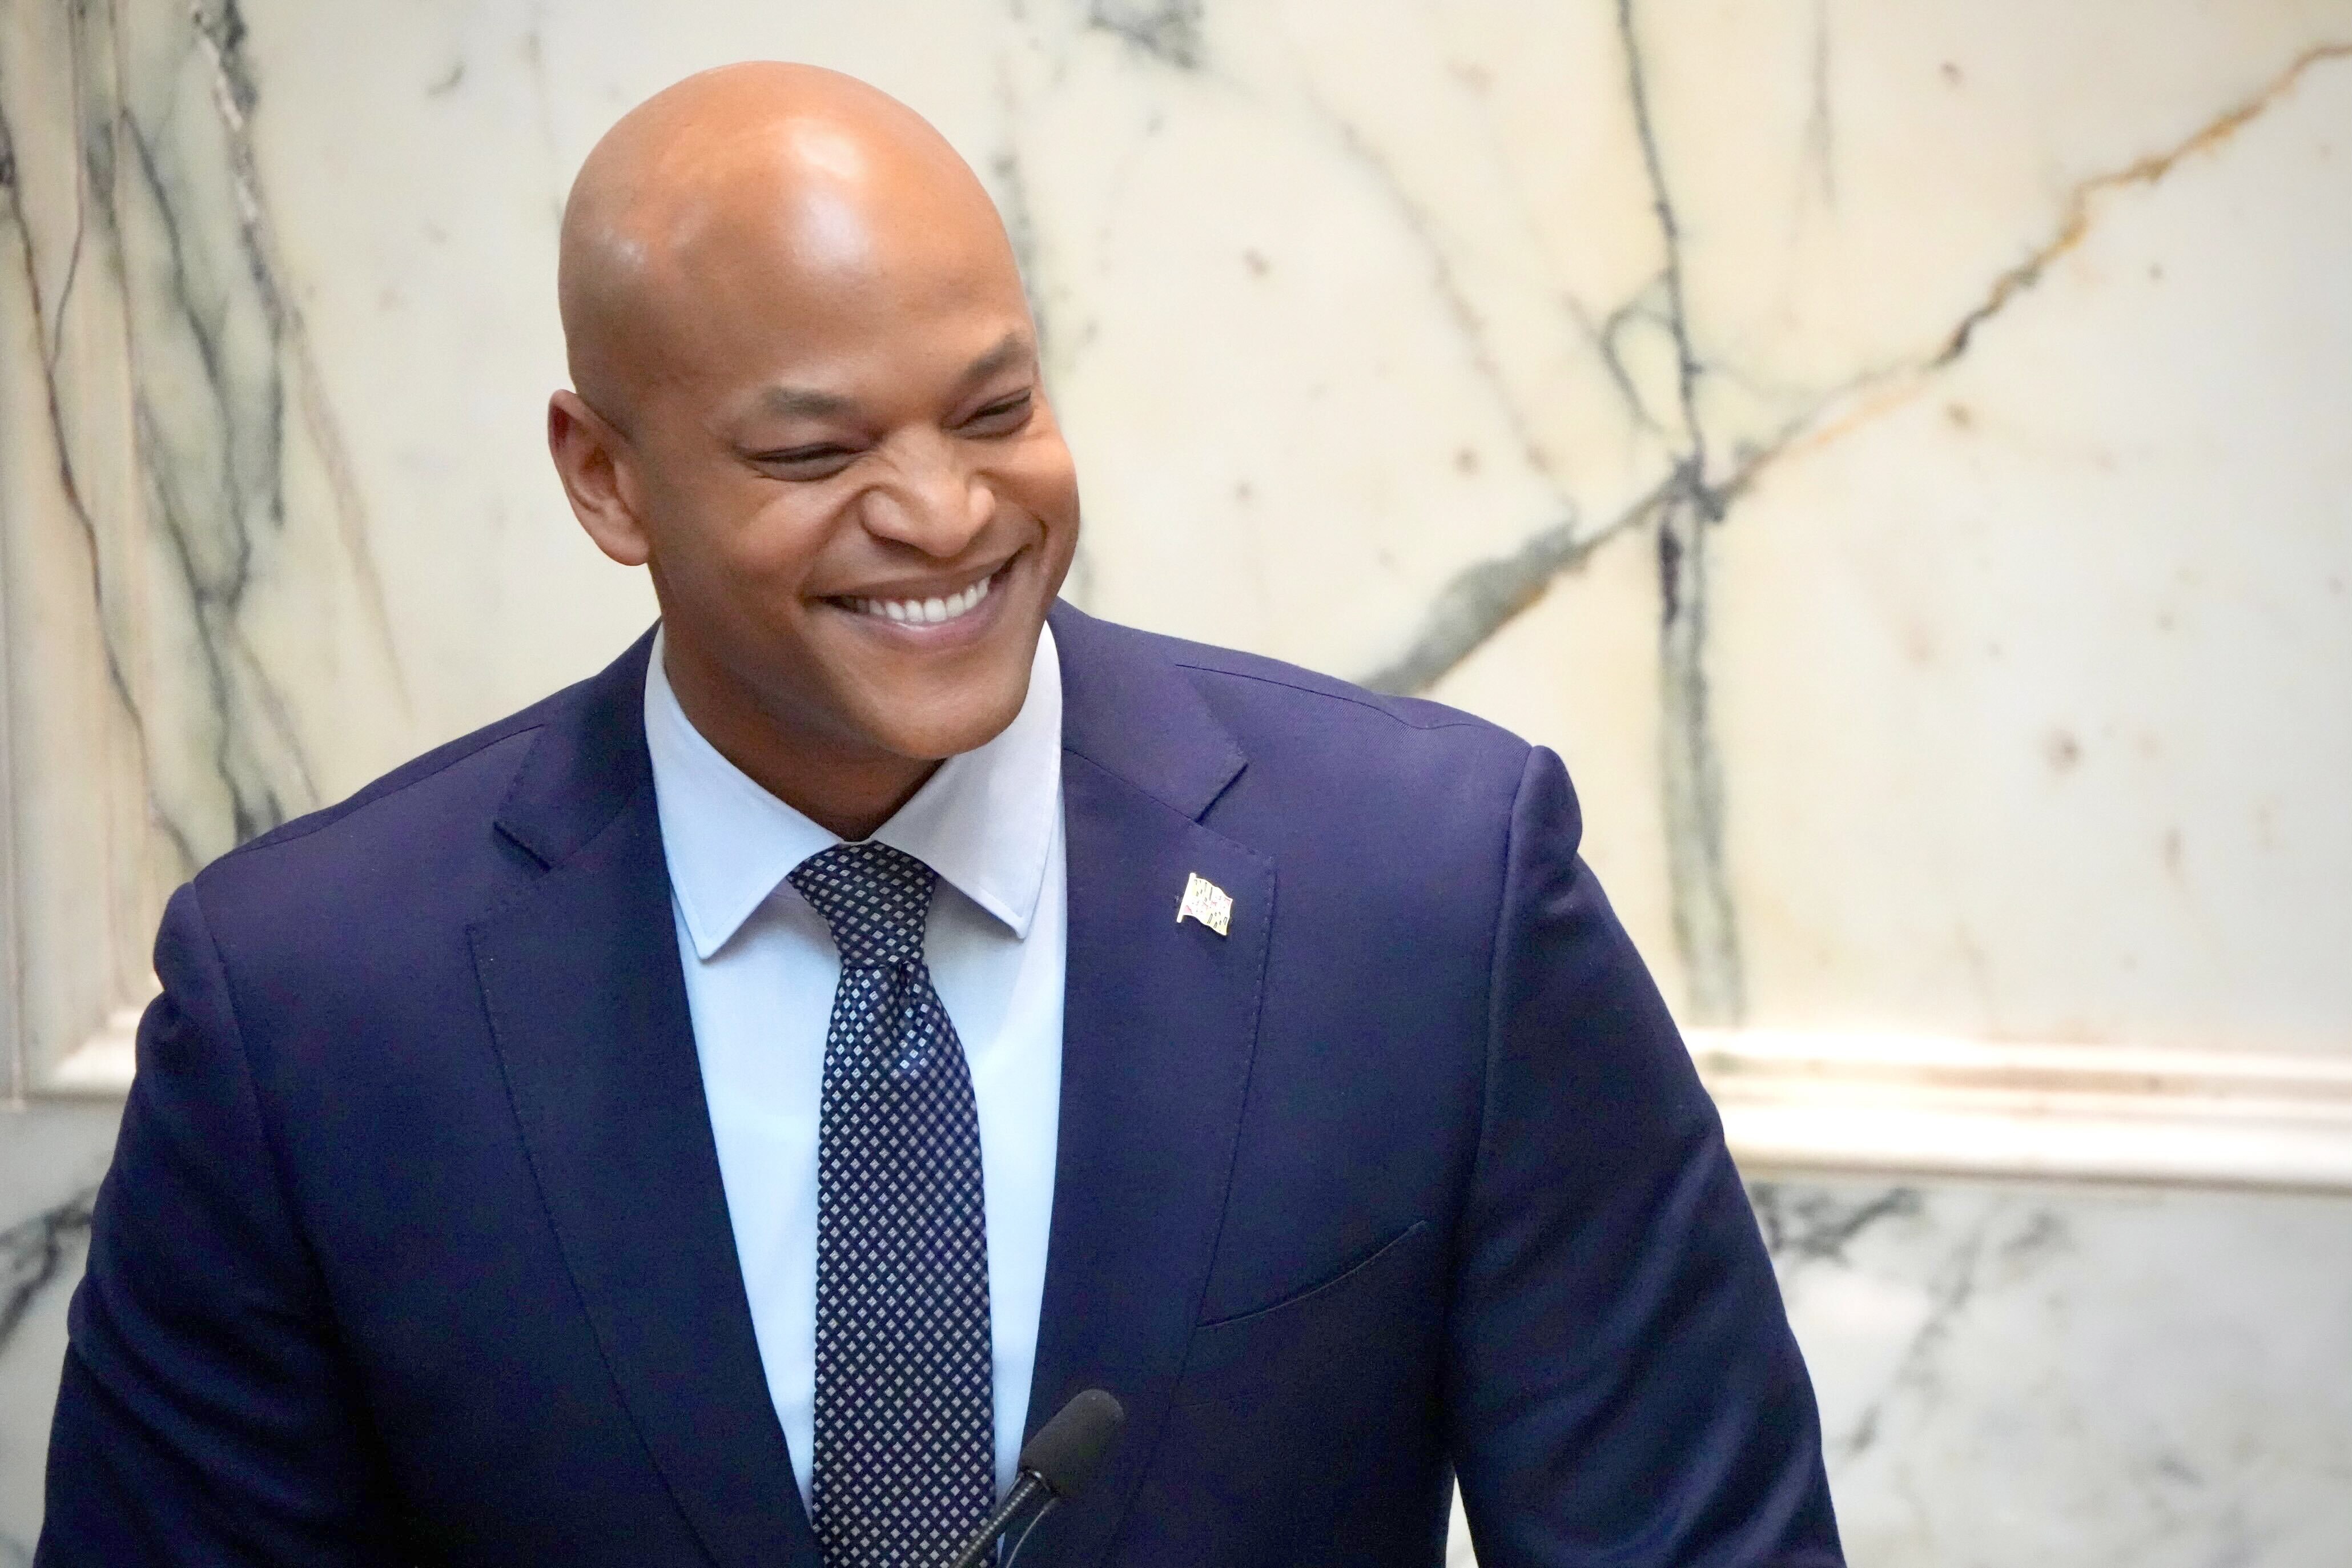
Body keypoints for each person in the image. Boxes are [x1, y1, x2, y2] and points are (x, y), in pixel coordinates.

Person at [37, 63, 1842, 1568]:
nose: (944, 513)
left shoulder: (1435, 891)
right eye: (816, 456)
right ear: (606, 477)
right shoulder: (312, 1004)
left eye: (997, 412)